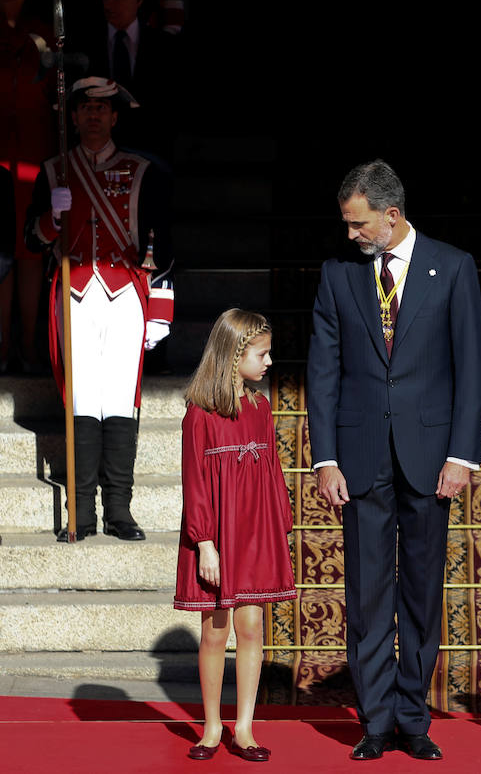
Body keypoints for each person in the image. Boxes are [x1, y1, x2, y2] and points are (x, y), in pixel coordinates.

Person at [306, 159, 481, 761]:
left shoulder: (454, 267)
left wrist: (464, 455)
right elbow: (323, 372)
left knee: (420, 593)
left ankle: (414, 717)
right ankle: (376, 720)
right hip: (360, 459)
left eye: (358, 224)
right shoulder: (338, 276)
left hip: (431, 457)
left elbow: (472, 371)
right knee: (365, 596)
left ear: (391, 215)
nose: (349, 235)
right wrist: (325, 458)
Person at [25, 76, 174, 542]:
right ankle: (81, 512)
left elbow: (162, 245)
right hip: (73, 292)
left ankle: (119, 510)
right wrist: (52, 217)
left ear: (114, 116)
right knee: (83, 397)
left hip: (127, 293)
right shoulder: (54, 172)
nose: (93, 115)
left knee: (120, 400)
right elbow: (33, 241)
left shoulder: (141, 170)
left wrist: (161, 309)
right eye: (84, 108)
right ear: (72, 117)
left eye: (101, 109)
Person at [174, 309, 296, 763]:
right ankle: (211, 726)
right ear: (233, 355)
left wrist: (278, 527)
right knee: (214, 631)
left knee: (250, 627)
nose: (269, 362)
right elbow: (195, 482)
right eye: (261, 354)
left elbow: (270, 473)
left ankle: (244, 727)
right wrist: (205, 542)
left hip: (254, 534)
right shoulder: (199, 414)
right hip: (215, 539)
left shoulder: (260, 407)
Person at [0, 0, 55, 372]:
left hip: (36, 157)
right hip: (0, 160)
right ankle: (2, 347)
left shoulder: (44, 35)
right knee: (1, 254)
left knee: (30, 251)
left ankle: (30, 345)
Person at [80, 0, 177, 163]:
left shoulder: (163, 47)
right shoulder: (85, 45)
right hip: (98, 160)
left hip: (151, 159)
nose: (109, 3)